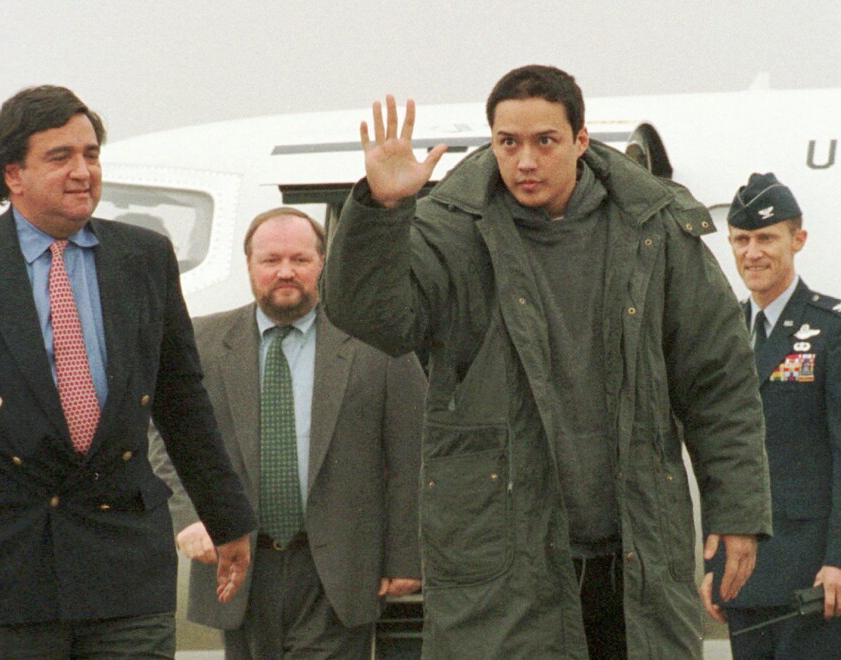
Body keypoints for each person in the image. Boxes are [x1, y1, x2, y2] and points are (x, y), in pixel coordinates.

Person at [321, 64, 772, 658]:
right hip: (505, 567)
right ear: (492, 143)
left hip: (635, 558)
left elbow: (719, 382)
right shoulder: (451, 229)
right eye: (508, 143)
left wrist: (736, 510)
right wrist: (381, 209)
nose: (525, 161)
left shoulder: (653, 228)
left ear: (582, 141)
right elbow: (371, 318)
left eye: (544, 141)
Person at [0, 85, 255, 658]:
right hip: (1, 573)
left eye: (91, 154)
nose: (82, 171)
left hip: (122, 563)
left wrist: (227, 518)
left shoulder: (144, 258)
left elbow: (181, 399)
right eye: (60, 157)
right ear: (12, 174)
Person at [149, 207, 426, 659]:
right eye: (270, 260)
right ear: (249, 266)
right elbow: (165, 441)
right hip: (237, 563)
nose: (285, 272)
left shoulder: (377, 344)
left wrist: (404, 556)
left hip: (337, 569)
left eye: (299, 260)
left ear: (322, 263)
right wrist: (190, 517)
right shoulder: (201, 343)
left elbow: (410, 452)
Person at [700, 172, 841, 657]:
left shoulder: (831, 330)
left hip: (813, 575)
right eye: (741, 239)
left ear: (797, 240)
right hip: (744, 573)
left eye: (766, 238)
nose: (752, 252)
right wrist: (712, 565)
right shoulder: (725, 332)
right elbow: (715, 455)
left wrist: (839, 560)